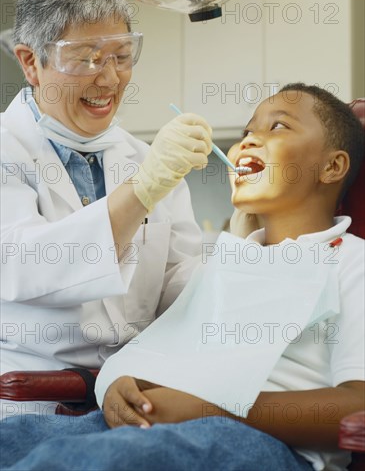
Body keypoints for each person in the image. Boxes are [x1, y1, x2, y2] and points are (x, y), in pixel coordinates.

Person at [1, 84, 363, 471]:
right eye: (245, 133)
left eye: (277, 127)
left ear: (332, 167)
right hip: (163, 428)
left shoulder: (350, 263)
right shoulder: (225, 264)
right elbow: (161, 353)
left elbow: (358, 403)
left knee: (76, 461)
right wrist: (118, 386)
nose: (250, 141)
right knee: (14, 440)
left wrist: (215, 408)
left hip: (262, 442)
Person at [0, 0, 213, 418]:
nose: (109, 78)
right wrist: (142, 189)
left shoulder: (144, 158)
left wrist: (251, 254)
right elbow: (23, 263)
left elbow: (179, 282)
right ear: (30, 62)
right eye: (85, 57)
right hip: (32, 404)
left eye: (121, 55)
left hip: (138, 393)